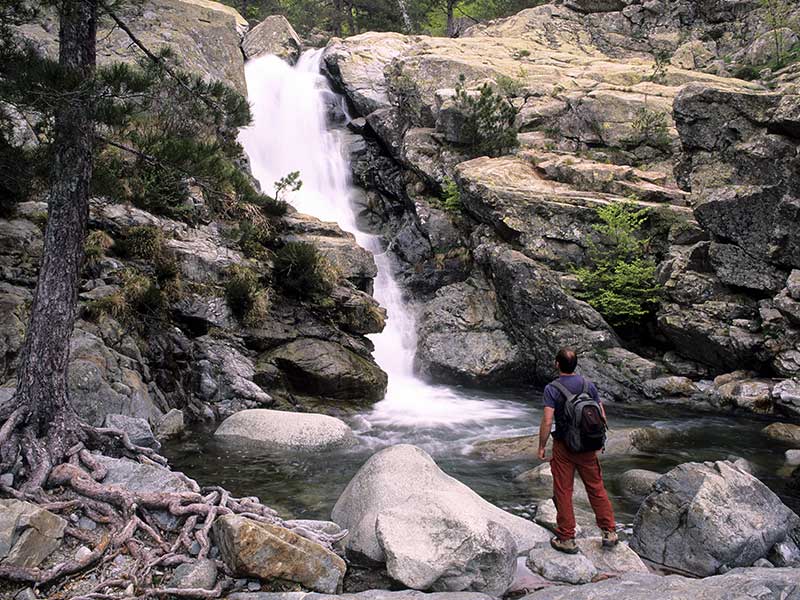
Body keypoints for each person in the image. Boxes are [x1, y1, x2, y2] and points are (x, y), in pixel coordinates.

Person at [537, 347, 618, 554]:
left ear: (557, 364)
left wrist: (541, 446)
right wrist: (598, 440)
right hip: (588, 446)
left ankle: (566, 537)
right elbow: (601, 414)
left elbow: (547, 421)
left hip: (565, 446)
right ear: (576, 365)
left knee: (564, 490)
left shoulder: (552, 388)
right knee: (596, 487)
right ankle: (609, 531)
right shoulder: (587, 385)